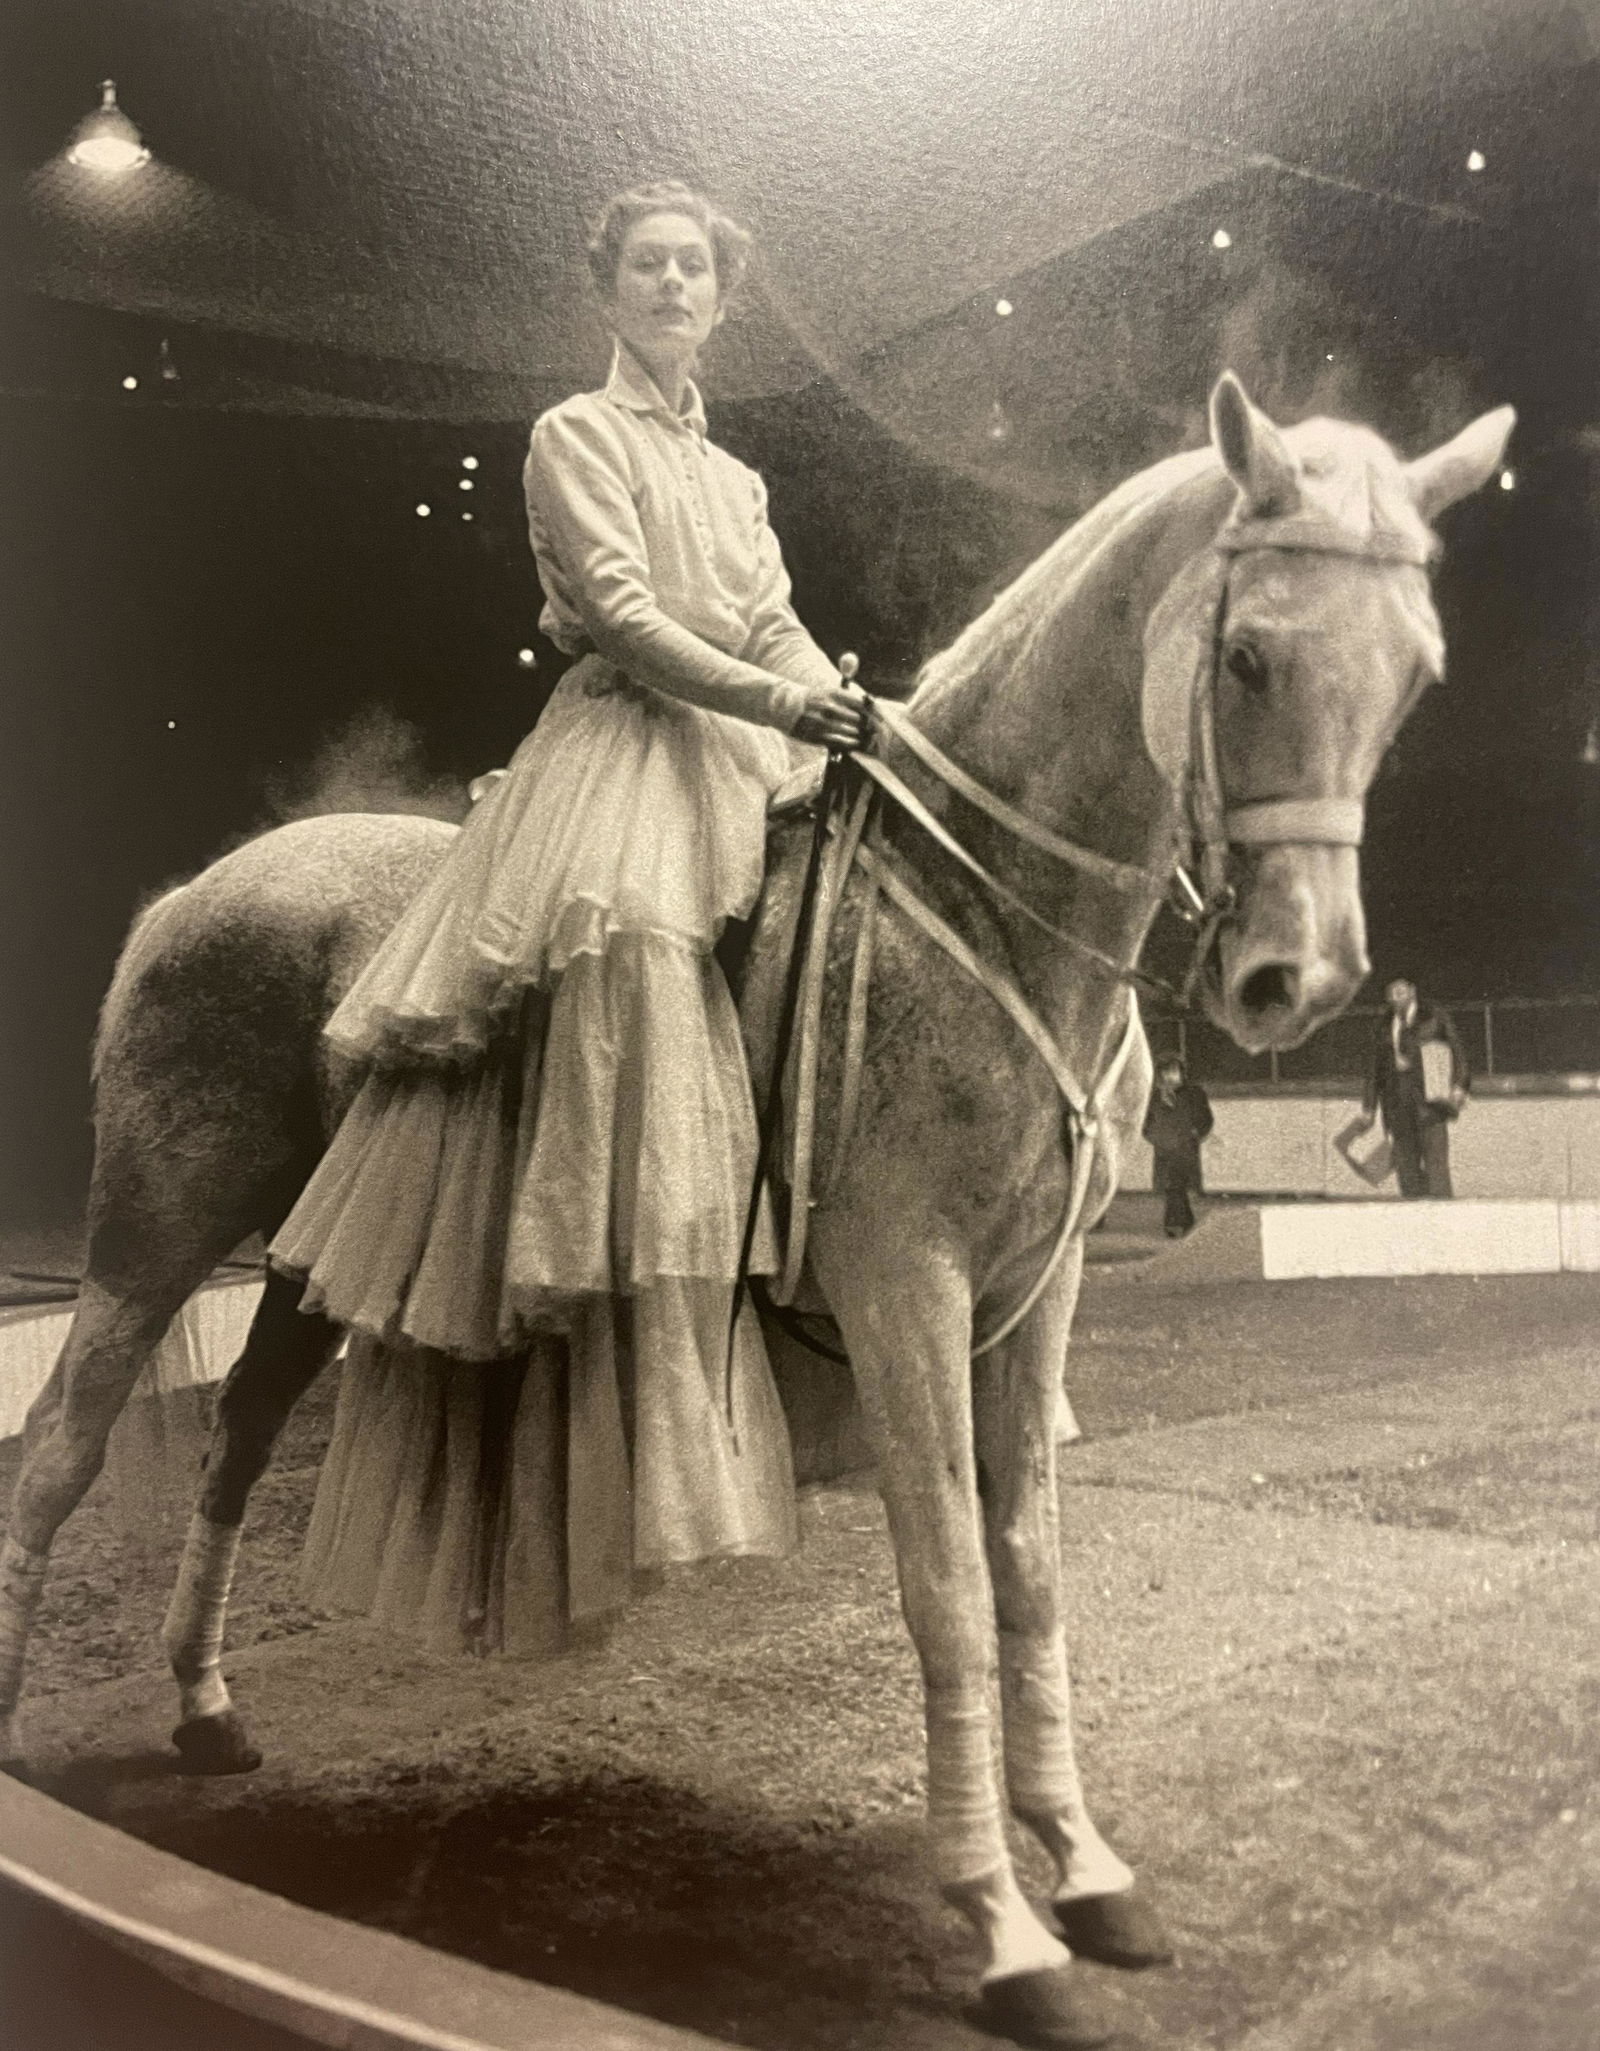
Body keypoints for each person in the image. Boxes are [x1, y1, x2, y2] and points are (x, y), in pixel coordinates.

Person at [268, 182, 870, 1656]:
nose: (671, 286)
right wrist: (783, 700)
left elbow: (772, 619)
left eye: (693, 268)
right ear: (608, 292)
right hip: (619, 760)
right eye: (646, 266)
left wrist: (849, 702)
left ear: (720, 297)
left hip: (740, 747)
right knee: (633, 952)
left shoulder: (736, 479)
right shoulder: (572, 435)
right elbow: (624, 615)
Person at [1360, 978, 1468, 1198]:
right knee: (1406, 1165)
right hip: (1396, 1104)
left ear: (1412, 991)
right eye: (1391, 993)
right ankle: (1412, 1212)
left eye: (1400, 992)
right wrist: (1369, 1107)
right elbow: (1373, 1069)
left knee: (1436, 1164)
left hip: (1430, 1102)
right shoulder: (1383, 1024)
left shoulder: (1433, 1017)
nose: (1395, 998)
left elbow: (1457, 1051)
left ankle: (1441, 1210)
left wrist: (1459, 1085)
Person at [1142, 1057, 1213, 1238]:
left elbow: (1206, 1118)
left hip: (1186, 1147)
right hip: (1164, 1149)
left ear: (1182, 1073)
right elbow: (1145, 1123)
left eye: (1174, 1071)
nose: (1170, 1076)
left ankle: (1177, 1223)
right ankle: (1179, 1222)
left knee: (1178, 1185)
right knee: (1172, 1186)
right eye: (1166, 1072)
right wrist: (1156, 1138)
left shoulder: (1194, 1093)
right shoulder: (1154, 1096)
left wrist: (1196, 1133)